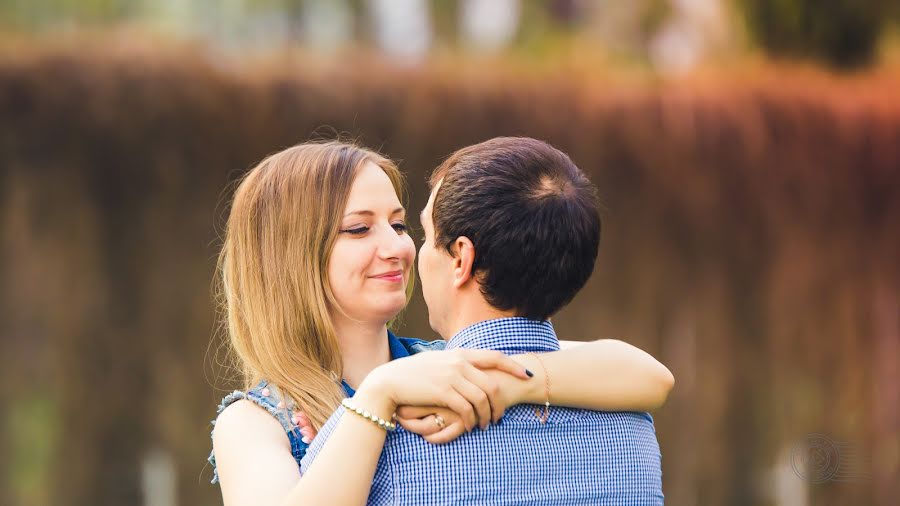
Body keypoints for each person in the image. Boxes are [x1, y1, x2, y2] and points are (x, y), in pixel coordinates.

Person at [210, 140, 674, 505]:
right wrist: (379, 395)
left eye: (397, 225)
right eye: (359, 228)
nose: (397, 247)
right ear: (289, 254)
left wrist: (517, 385)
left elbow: (646, 374)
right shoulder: (255, 422)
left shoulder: (449, 364)